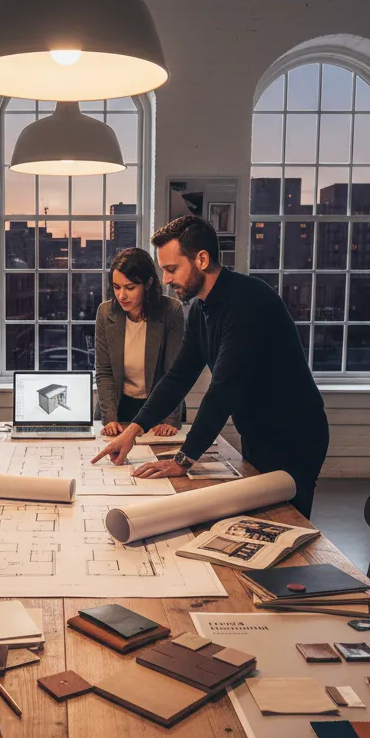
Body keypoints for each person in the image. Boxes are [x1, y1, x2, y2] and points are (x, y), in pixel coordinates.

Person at [92, 215, 329, 518]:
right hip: (258, 431)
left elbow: (223, 391)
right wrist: (134, 430)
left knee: (286, 522)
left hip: (296, 434)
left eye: (172, 269)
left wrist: (183, 459)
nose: (165, 279)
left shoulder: (248, 301)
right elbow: (177, 376)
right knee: (260, 518)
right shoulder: (200, 310)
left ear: (201, 259)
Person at [95, 246, 185, 437]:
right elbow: (104, 372)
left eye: (130, 288)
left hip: (160, 407)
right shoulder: (105, 313)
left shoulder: (171, 311)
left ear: (148, 283)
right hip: (119, 406)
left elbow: (174, 373)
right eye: (116, 287)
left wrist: (170, 419)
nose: (121, 296)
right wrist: (110, 419)